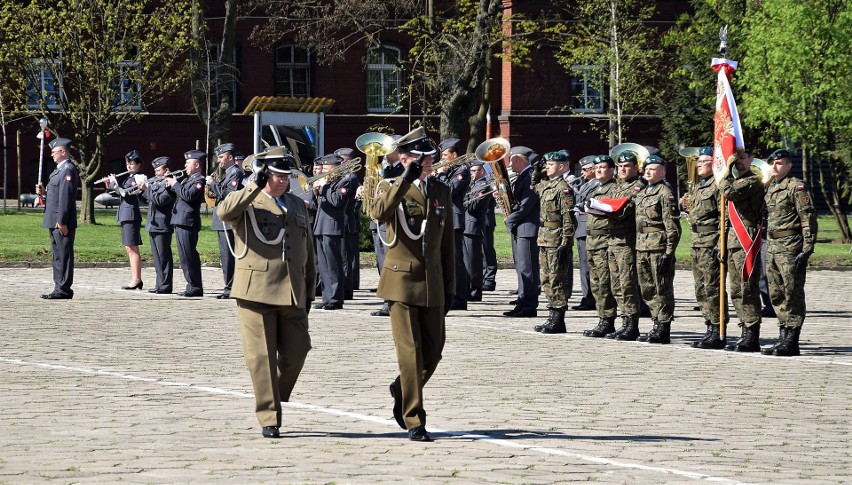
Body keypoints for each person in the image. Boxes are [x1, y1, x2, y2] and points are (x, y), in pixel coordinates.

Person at [217, 154, 315, 438]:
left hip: (291, 291)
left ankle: (273, 391)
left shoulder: (297, 204)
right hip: (255, 291)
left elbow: (306, 249)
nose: (284, 181)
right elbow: (224, 212)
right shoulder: (248, 200)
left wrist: (309, 289)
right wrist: (252, 187)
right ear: (264, 175)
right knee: (261, 358)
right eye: (278, 176)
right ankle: (269, 416)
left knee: (298, 351)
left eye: (287, 176)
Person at [369, 127, 454, 442]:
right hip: (401, 281)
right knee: (411, 353)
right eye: (421, 158)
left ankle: (401, 387)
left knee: (434, 352)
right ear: (405, 159)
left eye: (430, 157)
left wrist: (450, 284)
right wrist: (405, 178)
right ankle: (415, 419)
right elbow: (377, 212)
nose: (428, 163)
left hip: (432, 282)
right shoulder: (391, 186)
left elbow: (448, 241)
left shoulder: (440, 190)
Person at [761, 148, 817, 356]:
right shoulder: (769, 187)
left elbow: (808, 219)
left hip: (791, 246)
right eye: (772, 164)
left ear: (788, 165)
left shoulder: (797, 187)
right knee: (776, 293)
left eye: (779, 163)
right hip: (773, 246)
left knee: (792, 292)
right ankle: (783, 335)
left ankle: (792, 340)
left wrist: (808, 248)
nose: (774, 167)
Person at [717, 147, 765, 352]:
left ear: (751, 159)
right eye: (734, 158)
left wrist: (723, 173)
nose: (737, 162)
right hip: (732, 242)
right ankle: (744, 329)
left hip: (746, 241)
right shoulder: (735, 180)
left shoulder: (753, 181)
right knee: (736, 290)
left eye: (742, 158)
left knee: (748, 289)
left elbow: (729, 192)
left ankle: (752, 334)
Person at [634, 155, 680, 343]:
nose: (647, 171)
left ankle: (663, 326)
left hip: (658, 246)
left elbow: (672, 226)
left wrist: (669, 252)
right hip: (642, 245)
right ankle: (655, 320)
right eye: (646, 168)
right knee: (647, 288)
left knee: (662, 288)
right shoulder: (643, 192)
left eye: (652, 169)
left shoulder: (664, 193)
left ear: (662, 172)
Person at [531, 151, 575, 334]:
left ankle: (558, 319)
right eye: (546, 164)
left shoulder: (563, 189)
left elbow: (568, 217)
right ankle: (551, 316)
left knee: (557, 278)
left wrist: (566, 242)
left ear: (562, 166)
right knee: (546, 278)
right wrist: (536, 170)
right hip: (544, 237)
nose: (547, 167)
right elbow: (534, 185)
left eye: (551, 164)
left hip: (557, 238)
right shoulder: (547, 186)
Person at [581, 155, 623, 338]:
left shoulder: (615, 189)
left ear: (612, 170)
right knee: (596, 283)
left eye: (603, 167)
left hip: (605, 241)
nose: (598, 170)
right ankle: (602, 318)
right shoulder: (595, 188)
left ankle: (608, 320)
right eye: (596, 167)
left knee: (606, 284)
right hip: (592, 242)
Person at [37, 138, 79, 299]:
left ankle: (64, 289)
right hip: (53, 219)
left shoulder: (67, 170)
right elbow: (56, 196)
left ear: (63, 152)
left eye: (54, 152)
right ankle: (59, 286)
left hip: (61, 221)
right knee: (57, 255)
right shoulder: (58, 170)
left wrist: (61, 220)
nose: (52, 155)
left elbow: (66, 198)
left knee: (64, 254)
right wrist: (44, 194)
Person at [502, 146, 541, 317]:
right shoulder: (523, 176)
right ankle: (522, 300)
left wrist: (509, 219)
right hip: (521, 227)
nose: (510, 165)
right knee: (521, 266)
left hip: (527, 228)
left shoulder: (531, 176)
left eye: (511, 161)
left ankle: (529, 305)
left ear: (518, 160)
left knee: (527, 268)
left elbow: (526, 205)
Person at [368, 135, 404, 317]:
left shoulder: (401, 170)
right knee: (382, 262)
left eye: (388, 150)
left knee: (390, 263)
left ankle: (392, 300)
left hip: (393, 221)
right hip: (380, 220)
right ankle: (387, 299)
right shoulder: (382, 169)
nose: (384, 154)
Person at [435, 138, 471, 311]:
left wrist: (441, 174)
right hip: (444, 217)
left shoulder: (462, 170)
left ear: (454, 155)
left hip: (455, 219)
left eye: (445, 155)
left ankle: (460, 297)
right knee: (448, 259)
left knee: (456, 260)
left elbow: (449, 190)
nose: (442, 159)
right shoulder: (449, 169)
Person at [207, 143, 245, 299]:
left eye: (221, 157)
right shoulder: (225, 173)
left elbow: (229, 193)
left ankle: (231, 288)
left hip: (228, 219)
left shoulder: (234, 172)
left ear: (230, 157)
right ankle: (229, 286)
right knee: (225, 256)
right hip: (221, 218)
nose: (218, 160)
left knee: (229, 256)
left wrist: (212, 184)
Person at [312, 154, 350, 310]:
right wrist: (316, 191)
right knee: (323, 264)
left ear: (335, 168)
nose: (323, 172)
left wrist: (324, 186)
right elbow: (320, 203)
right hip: (321, 225)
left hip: (332, 226)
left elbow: (337, 201)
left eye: (326, 169)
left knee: (333, 264)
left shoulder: (344, 181)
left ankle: (335, 298)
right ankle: (327, 297)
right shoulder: (328, 181)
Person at [167, 150, 206, 297]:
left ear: (197, 165)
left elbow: (188, 196)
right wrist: (170, 183)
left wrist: (175, 184)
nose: (185, 166)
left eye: (188, 163)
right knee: (184, 256)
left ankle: (195, 286)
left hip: (188, 222)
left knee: (189, 255)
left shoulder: (199, 180)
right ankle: (191, 285)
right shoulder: (187, 180)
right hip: (180, 220)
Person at [107, 150, 145, 290]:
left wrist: (114, 184)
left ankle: (136, 279)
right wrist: (110, 185)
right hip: (125, 214)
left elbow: (126, 193)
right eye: (128, 164)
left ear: (139, 164)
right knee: (129, 248)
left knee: (132, 248)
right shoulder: (128, 177)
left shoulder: (139, 177)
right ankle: (135, 278)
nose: (129, 166)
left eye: (132, 164)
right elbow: (117, 193)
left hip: (131, 215)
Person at [139, 156, 176, 294]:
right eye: (155, 170)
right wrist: (142, 190)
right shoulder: (156, 183)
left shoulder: (169, 184)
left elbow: (161, 200)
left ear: (166, 169)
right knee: (157, 257)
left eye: (158, 170)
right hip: (153, 223)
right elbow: (148, 200)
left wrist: (147, 189)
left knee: (163, 256)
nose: (156, 172)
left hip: (163, 224)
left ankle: (166, 285)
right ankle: (160, 284)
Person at [571, 155, 599, 311]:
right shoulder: (585, 184)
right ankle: (587, 295)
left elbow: (588, 203)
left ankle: (591, 297)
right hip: (581, 227)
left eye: (585, 169)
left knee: (589, 265)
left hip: (588, 226)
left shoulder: (597, 185)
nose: (582, 172)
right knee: (583, 265)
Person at [334, 147, 362, 299]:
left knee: (346, 258)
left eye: (342, 161)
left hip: (347, 221)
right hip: (344, 221)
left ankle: (346, 289)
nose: (339, 163)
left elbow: (350, 203)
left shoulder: (350, 178)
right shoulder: (344, 177)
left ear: (349, 162)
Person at [462, 161, 489, 302]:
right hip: (467, 225)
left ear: (482, 172)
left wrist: (463, 196)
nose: (472, 174)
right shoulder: (472, 186)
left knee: (473, 261)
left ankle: (475, 290)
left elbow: (473, 206)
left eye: (475, 171)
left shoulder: (483, 185)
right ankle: (468, 288)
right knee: (467, 260)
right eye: (471, 171)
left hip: (473, 226)